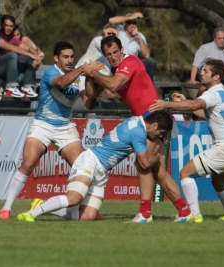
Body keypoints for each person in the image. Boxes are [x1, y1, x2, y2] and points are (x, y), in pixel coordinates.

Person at [82, 36, 192, 223]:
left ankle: (146, 214)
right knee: (158, 172)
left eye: (115, 52)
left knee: (144, 165)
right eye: (108, 54)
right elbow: (93, 98)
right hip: (148, 122)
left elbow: (114, 85)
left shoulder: (130, 61)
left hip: (154, 121)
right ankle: (185, 212)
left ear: (122, 49)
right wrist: (88, 75)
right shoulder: (113, 70)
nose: (113, 57)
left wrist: (94, 73)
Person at [0, 41, 98, 220]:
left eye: (71, 57)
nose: (69, 60)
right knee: (28, 164)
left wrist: (94, 82)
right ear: (56, 58)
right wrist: (82, 69)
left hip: (65, 127)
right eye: (65, 57)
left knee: (84, 168)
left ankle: (86, 210)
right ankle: (6, 208)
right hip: (42, 124)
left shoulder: (79, 76)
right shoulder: (51, 72)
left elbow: (89, 104)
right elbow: (60, 83)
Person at [17, 111, 172, 222]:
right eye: (161, 132)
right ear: (154, 125)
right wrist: (158, 156)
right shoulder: (138, 132)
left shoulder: (136, 121)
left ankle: (43, 205)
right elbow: (145, 163)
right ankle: (31, 213)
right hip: (91, 161)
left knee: (87, 216)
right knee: (74, 198)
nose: (160, 136)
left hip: (102, 171)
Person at [150, 59, 224, 223]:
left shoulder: (212, 92)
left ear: (216, 77)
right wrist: (184, 101)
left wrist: (167, 104)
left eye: (205, 71)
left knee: (185, 173)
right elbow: (203, 113)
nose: (201, 73)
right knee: (218, 182)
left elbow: (194, 106)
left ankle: (194, 214)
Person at [0, 14, 40, 98]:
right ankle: (10, 87)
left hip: (9, 70)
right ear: (2, 25)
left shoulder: (12, 39)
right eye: (6, 25)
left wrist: (36, 57)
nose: (9, 28)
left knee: (28, 58)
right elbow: (13, 48)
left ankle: (28, 88)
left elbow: (29, 48)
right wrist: (31, 55)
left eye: (11, 26)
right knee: (12, 55)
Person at [108, 12, 156, 81]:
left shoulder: (140, 36)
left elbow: (147, 55)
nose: (132, 25)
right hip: (119, 63)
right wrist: (131, 17)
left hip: (133, 65)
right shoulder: (119, 30)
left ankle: (147, 85)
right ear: (124, 23)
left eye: (134, 23)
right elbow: (111, 20)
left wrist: (139, 38)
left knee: (151, 62)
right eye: (129, 22)